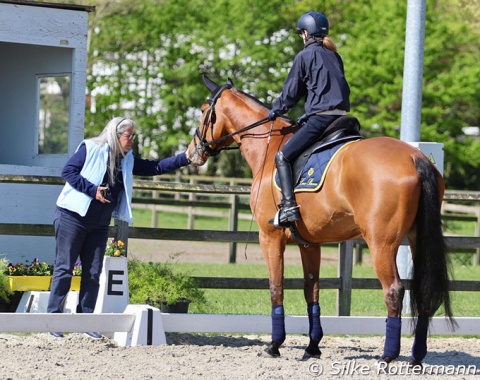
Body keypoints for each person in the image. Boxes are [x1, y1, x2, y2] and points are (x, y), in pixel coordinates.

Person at [47, 117, 191, 339]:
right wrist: (93, 190)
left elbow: (156, 167)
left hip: (99, 224)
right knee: (65, 268)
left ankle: (85, 321)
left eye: (133, 136)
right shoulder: (91, 148)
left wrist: (186, 158)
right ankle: (53, 320)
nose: (132, 140)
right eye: (128, 136)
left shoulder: (127, 160)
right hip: (72, 217)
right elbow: (68, 172)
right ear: (116, 135)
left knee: (93, 273)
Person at [267, 10, 350, 227]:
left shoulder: (304, 56)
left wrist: (275, 110)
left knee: (282, 157)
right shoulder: (334, 55)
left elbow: (291, 93)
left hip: (321, 121)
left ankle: (288, 207)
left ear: (305, 33)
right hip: (343, 119)